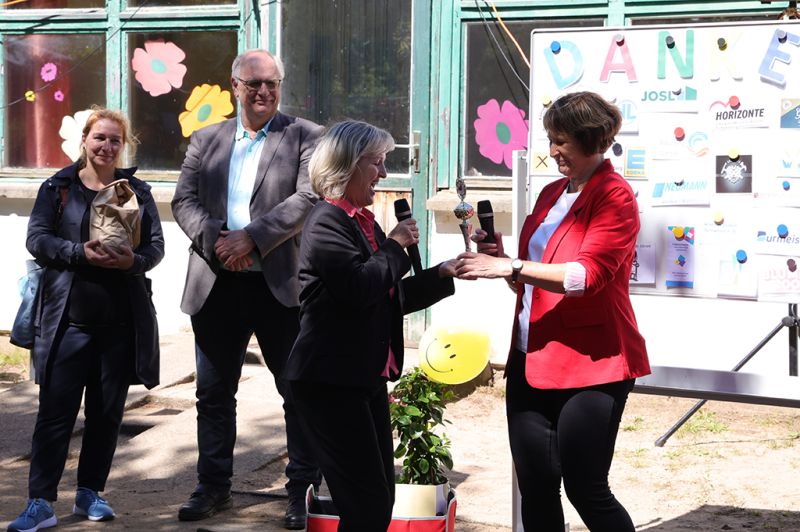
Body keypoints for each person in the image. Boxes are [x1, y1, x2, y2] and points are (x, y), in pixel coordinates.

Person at [456, 91, 651, 532]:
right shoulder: (551, 193)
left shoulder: (615, 196)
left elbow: (587, 277)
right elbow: (531, 276)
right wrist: (502, 260)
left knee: (586, 490)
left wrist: (511, 266)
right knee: (537, 489)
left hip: (591, 364)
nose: (553, 150)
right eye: (550, 139)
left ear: (591, 139)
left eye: (561, 141)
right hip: (531, 359)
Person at [171, 49, 323, 530]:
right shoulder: (206, 139)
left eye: (271, 83)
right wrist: (218, 240)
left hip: (279, 286)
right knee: (213, 394)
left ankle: (302, 490)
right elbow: (183, 200)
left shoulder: (305, 135)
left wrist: (252, 238)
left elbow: (309, 197)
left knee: (297, 391)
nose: (263, 91)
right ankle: (213, 486)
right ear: (235, 85)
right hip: (215, 284)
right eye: (253, 83)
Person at [284, 120, 457, 532]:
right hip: (329, 381)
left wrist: (442, 274)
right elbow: (359, 288)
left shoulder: (361, 222)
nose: (383, 173)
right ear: (347, 164)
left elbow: (387, 296)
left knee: (377, 500)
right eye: (376, 163)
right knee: (366, 503)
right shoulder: (326, 221)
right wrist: (395, 245)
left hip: (361, 377)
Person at [7, 107, 163, 532]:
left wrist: (133, 262)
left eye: (115, 140)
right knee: (55, 416)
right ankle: (40, 502)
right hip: (67, 324)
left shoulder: (136, 192)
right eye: (100, 138)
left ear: (123, 146)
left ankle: (90, 492)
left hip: (120, 326)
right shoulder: (58, 187)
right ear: (85, 140)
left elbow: (155, 247)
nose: (107, 146)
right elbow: (37, 239)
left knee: (106, 415)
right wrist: (78, 253)